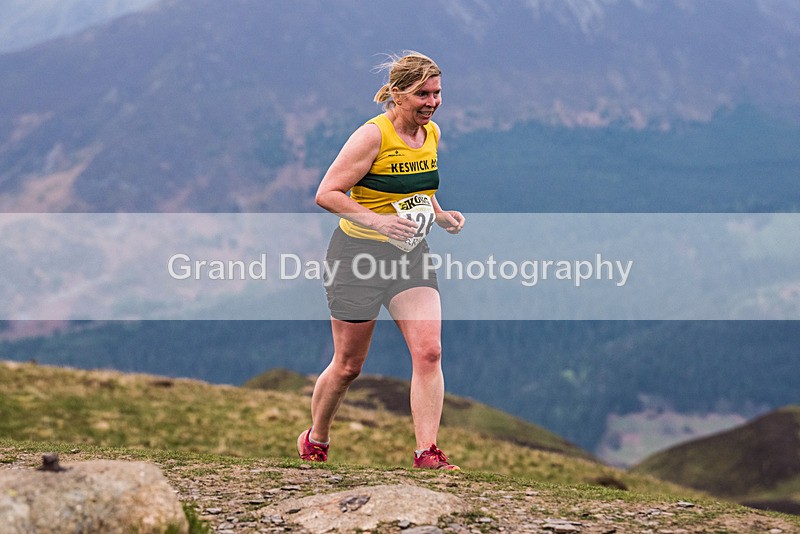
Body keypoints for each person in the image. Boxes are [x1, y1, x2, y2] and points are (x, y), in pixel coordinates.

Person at [297, 51, 465, 470]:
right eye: (421, 94)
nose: (431, 102)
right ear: (396, 94)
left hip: (409, 256)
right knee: (349, 365)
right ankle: (316, 438)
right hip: (357, 258)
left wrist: (440, 216)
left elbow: (417, 188)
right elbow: (327, 193)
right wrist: (380, 224)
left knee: (429, 352)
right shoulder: (371, 136)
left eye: (437, 93)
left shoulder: (431, 135)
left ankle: (427, 452)